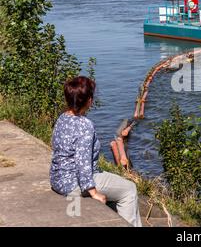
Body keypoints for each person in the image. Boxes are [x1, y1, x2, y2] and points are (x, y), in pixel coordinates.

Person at [50, 76, 142, 227]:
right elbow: (82, 162)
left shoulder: (62, 118)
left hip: (58, 179)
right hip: (75, 182)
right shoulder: (85, 125)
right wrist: (93, 192)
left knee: (115, 183)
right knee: (129, 189)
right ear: (89, 101)